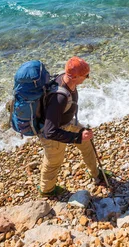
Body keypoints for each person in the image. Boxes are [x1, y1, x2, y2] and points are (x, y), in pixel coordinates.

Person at [37, 56, 108, 197]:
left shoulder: (66, 79)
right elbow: (49, 131)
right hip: (53, 134)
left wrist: (81, 136)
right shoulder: (60, 98)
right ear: (75, 76)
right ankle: (46, 190)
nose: (87, 78)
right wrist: (77, 137)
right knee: (52, 163)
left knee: (87, 143)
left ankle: (95, 172)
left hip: (67, 123)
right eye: (86, 76)